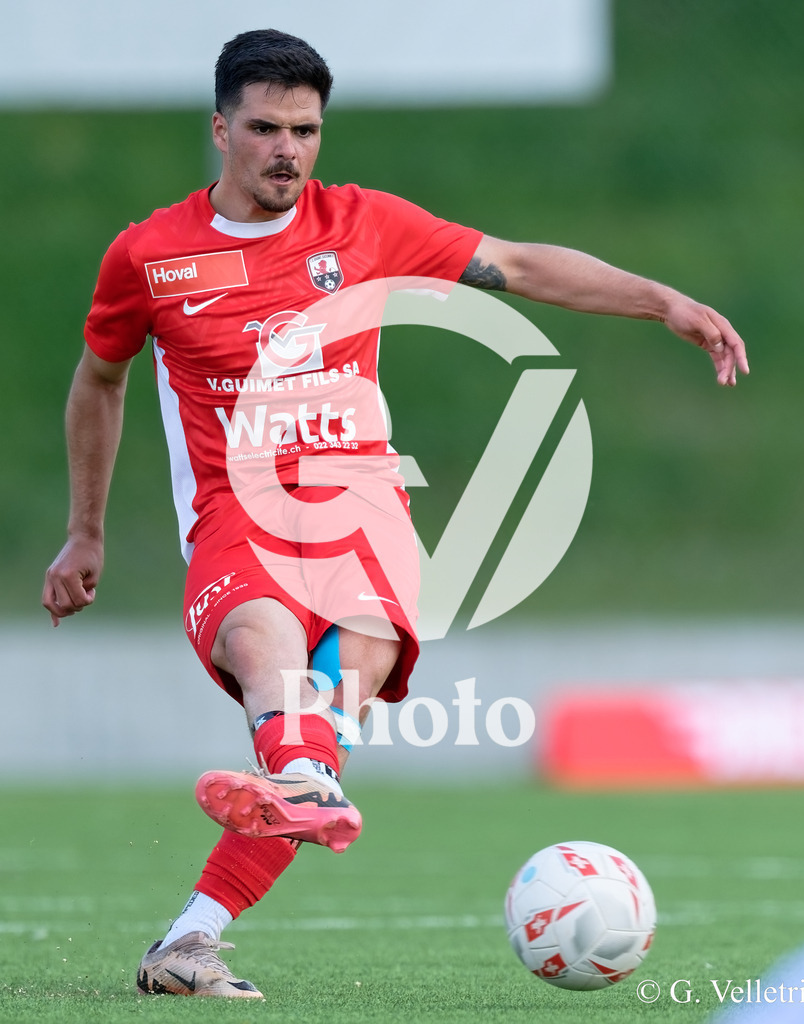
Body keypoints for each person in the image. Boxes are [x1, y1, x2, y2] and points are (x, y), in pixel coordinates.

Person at [42, 28, 749, 1001]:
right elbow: (100, 381)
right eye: (264, 128)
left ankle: (211, 910)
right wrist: (87, 529)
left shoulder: (363, 225)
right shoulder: (151, 255)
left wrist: (659, 299)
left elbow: (520, 265)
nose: (287, 148)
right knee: (270, 649)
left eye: (306, 129)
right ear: (221, 129)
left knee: (342, 673)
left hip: (359, 508)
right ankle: (289, 798)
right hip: (237, 514)